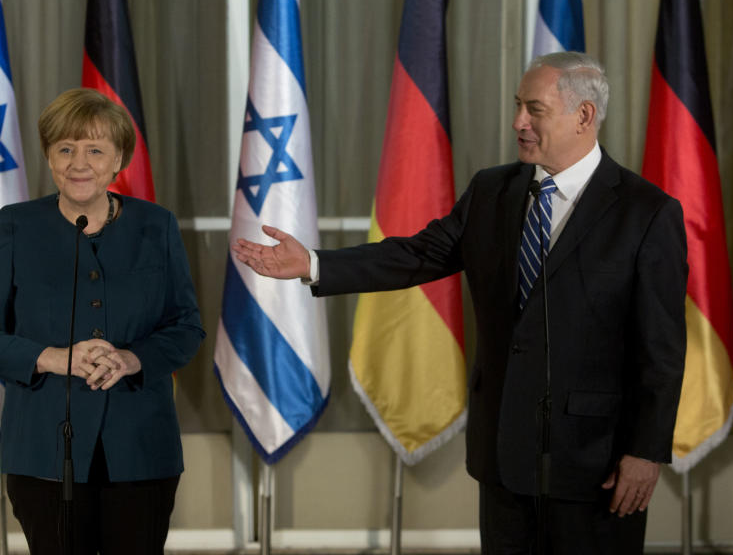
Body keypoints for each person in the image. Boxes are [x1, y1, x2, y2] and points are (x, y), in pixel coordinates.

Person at [232, 52, 687, 554]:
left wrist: (645, 453)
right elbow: (417, 255)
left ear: (584, 116)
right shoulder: (492, 190)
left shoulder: (647, 213)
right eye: (517, 106)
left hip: (595, 463)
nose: (518, 123)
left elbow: (661, 351)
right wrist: (315, 264)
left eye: (534, 109)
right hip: (503, 455)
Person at [0, 88, 205, 555]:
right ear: (49, 157)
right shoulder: (15, 226)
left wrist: (132, 359)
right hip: (44, 450)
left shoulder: (157, 225)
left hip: (141, 448)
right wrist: (55, 358)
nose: (79, 162)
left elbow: (186, 327)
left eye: (95, 150)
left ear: (119, 161)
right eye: (66, 148)